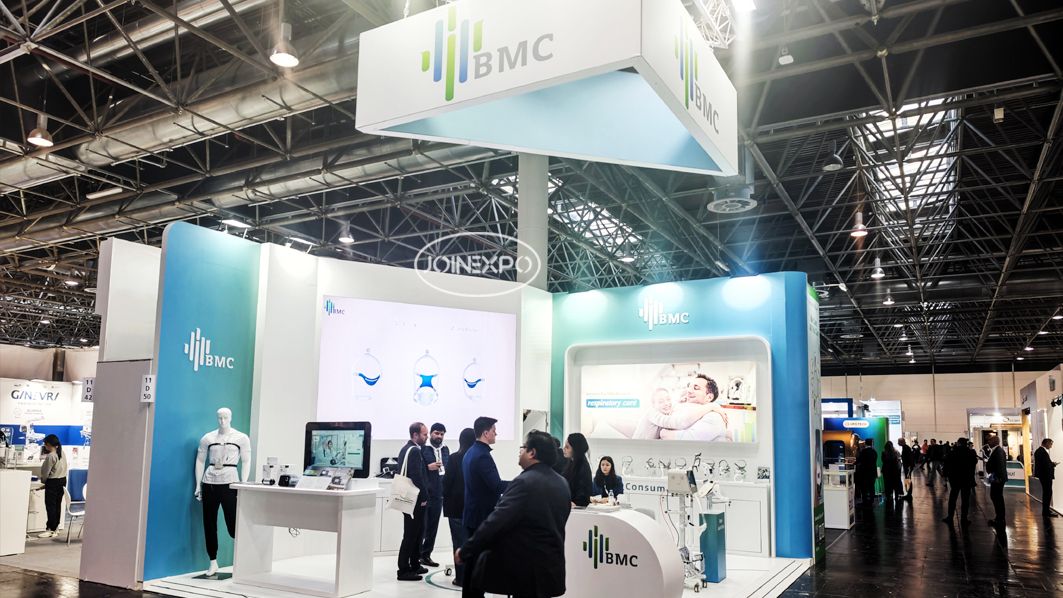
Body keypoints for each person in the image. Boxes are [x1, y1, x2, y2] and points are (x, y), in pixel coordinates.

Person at [455, 430, 571, 598]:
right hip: (551, 567)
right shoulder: (562, 483)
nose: (520, 451)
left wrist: (466, 550)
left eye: (523, 447)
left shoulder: (524, 482)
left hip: (527, 571)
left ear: (532, 453)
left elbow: (496, 522)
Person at [463, 417, 509, 543]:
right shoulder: (482, 455)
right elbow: (497, 486)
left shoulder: (470, 452)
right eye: (494, 431)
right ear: (486, 433)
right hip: (481, 517)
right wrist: (520, 483)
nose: (496, 434)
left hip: (472, 514)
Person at [397, 422, 430, 581]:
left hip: (409, 497)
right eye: (424, 434)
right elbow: (417, 476)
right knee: (411, 534)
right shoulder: (415, 451)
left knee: (416, 532)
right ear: (415, 435)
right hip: (415, 499)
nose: (427, 437)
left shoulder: (406, 449)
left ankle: (414, 564)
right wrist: (424, 496)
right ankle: (403, 570)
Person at [443, 428, 475, 586]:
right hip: (472, 507)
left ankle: (461, 577)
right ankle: (471, 576)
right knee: (471, 541)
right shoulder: (476, 458)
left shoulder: (454, 458)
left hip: (455, 507)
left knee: (458, 542)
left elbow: (447, 482)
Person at [421, 422, 449, 567]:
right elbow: (417, 469)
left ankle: (426, 555)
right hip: (426, 493)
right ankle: (415, 555)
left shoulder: (445, 449)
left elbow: (447, 467)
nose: (439, 436)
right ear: (431, 433)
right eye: (436, 433)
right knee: (422, 527)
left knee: (433, 527)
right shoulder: (423, 449)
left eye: (442, 434)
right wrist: (428, 467)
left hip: (439, 493)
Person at [941, 436, 977, 526]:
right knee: (965, 500)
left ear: (959, 443)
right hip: (966, 479)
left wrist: (945, 475)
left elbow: (946, 464)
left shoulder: (953, 452)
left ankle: (950, 517)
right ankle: (964, 518)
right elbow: (974, 463)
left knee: (953, 498)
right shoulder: (970, 452)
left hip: (955, 479)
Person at [37, 434, 68, 538]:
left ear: (49, 444)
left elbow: (45, 472)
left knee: (50, 506)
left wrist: (43, 482)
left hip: (53, 482)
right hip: (62, 481)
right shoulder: (62, 452)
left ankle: (50, 529)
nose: (45, 446)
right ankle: (56, 528)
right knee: (57, 505)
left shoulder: (51, 456)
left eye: (45, 444)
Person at [562, 432, 593, 507]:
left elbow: (582, 496)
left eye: (567, 447)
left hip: (577, 508)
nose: (564, 449)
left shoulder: (582, 467)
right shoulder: (570, 463)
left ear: (576, 449)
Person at [986, 435, 1008, 528]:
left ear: (995, 441)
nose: (988, 442)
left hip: (998, 479)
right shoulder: (996, 450)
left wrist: (999, 478)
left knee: (997, 498)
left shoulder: (998, 451)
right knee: (996, 497)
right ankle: (999, 518)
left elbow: (1000, 466)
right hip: (996, 478)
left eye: (990, 441)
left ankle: (1000, 519)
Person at [1034, 438, 1058, 519]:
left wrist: (1051, 464)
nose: (1051, 446)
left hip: (1044, 476)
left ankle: (1046, 511)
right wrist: (1053, 464)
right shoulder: (1042, 452)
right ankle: (1046, 511)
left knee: (1047, 493)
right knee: (1047, 493)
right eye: (1050, 444)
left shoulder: (1039, 451)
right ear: (1046, 443)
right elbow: (1045, 465)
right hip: (1046, 476)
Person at [855, 438, 878, 506]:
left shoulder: (863, 451)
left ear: (865, 443)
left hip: (864, 473)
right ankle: (871, 500)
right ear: (871, 443)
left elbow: (859, 460)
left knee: (864, 487)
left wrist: (853, 463)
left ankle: (865, 501)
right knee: (871, 487)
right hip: (873, 472)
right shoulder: (874, 451)